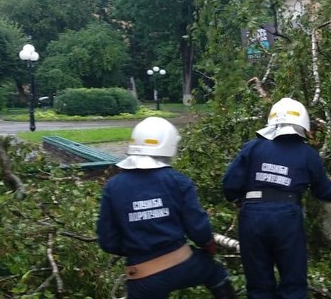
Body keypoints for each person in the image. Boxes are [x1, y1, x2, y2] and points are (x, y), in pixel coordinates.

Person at [97, 117, 237, 299]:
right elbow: (197, 228)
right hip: (184, 264)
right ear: (169, 146)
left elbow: (108, 241)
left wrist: (136, 249)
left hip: (143, 276)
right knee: (215, 272)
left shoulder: (113, 186)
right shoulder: (177, 181)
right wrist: (208, 245)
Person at [223, 97, 331, 298]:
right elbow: (323, 191)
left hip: (252, 215)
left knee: (258, 285)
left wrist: (239, 199)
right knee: (293, 283)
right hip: (286, 217)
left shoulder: (253, 147)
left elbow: (229, 184)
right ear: (303, 124)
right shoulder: (307, 154)